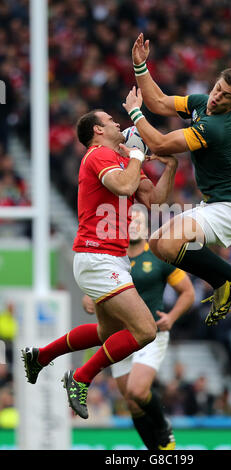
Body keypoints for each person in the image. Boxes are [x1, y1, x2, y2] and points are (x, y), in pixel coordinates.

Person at [21, 109, 178, 430]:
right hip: (97, 256)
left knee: (110, 335)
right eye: (110, 121)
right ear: (97, 130)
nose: (119, 124)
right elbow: (122, 187)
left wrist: (170, 167)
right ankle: (80, 377)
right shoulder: (98, 155)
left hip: (111, 258)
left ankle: (41, 356)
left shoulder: (122, 161)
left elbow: (156, 200)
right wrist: (136, 156)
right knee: (146, 331)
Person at [121, 33, 231, 326]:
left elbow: (157, 143)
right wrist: (140, 67)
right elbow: (158, 102)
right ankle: (222, 283)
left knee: (169, 246)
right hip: (215, 204)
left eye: (226, 97)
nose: (217, 97)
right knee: (158, 246)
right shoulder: (202, 103)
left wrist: (134, 112)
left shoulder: (215, 127)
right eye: (218, 88)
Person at [82, 206, 195, 449]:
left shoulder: (158, 255)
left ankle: (164, 426)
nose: (134, 225)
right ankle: (155, 451)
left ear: (146, 226)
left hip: (152, 334)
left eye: (139, 221)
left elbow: (188, 292)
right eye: (130, 221)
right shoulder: (111, 257)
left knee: (137, 390)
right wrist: (88, 299)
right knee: (132, 403)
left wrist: (172, 317)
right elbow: (93, 292)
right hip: (120, 337)